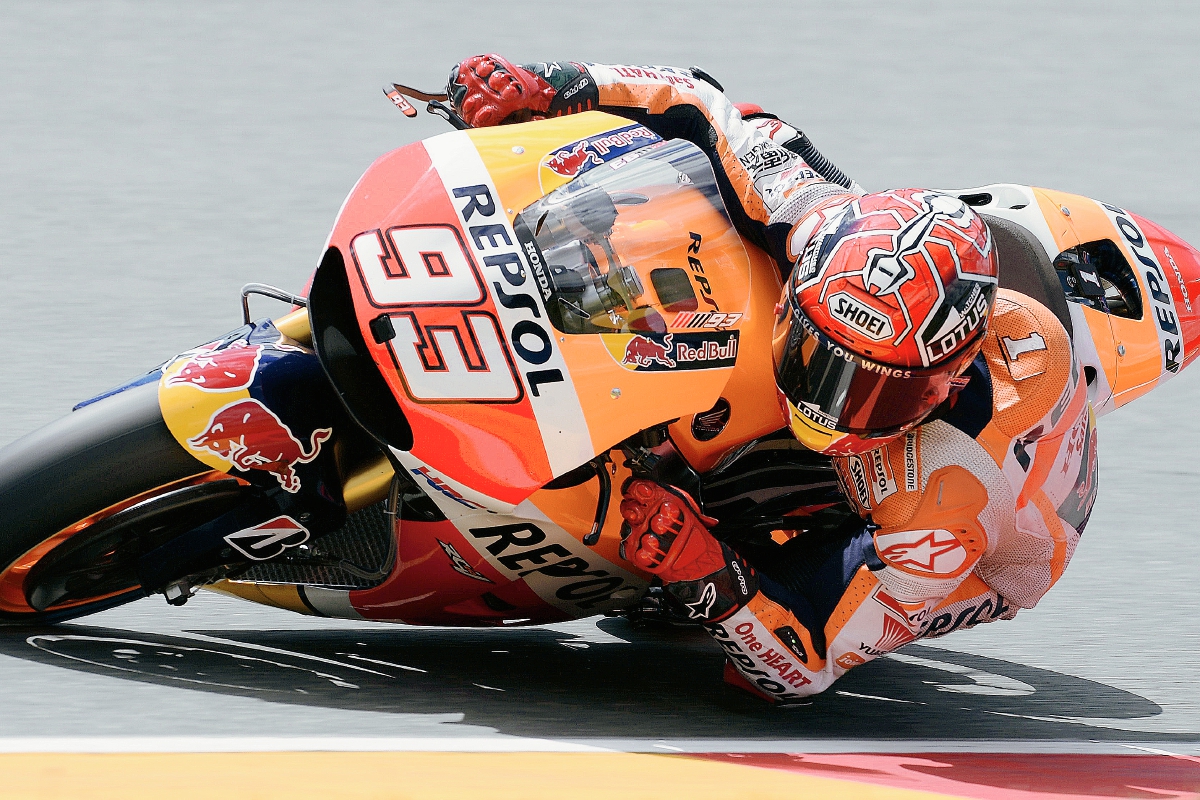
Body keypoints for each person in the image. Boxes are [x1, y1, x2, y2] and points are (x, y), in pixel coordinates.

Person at [447, 55, 1097, 702]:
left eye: (878, 392)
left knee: (722, 592)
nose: (831, 406)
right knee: (732, 168)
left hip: (992, 546)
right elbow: (702, 103)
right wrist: (554, 85)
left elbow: (804, 666)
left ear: (944, 385)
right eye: (823, 360)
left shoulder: (938, 516)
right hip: (988, 372)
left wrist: (703, 570)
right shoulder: (819, 223)